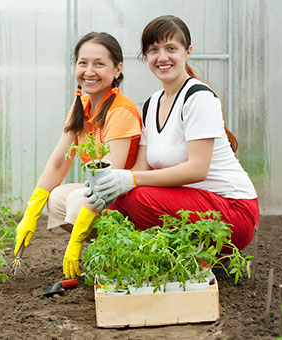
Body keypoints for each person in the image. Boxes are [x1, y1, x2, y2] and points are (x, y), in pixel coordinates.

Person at [88, 15, 259, 253]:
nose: (162, 57)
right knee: (114, 209)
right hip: (193, 204)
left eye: (171, 48)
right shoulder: (151, 104)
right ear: (145, 56)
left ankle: (202, 259)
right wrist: (108, 187)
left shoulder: (198, 97)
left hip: (233, 211)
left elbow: (197, 168)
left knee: (140, 199)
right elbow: (141, 168)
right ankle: (161, 261)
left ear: (188, 51)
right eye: (154, 50)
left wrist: (130, 181)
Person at [13, 32, 142, 279]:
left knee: (75, 201)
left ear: (117, 70)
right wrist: (31, 213)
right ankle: (106, 249)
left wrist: (76, 240)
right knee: (57, 198)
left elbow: (107, 182)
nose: (89, 71)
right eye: (83, 63)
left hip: (127, 196)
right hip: (105, 195)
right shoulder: (81, 105)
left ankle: (119, 249)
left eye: (99, 64)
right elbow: (58, 162)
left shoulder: (120, 111)